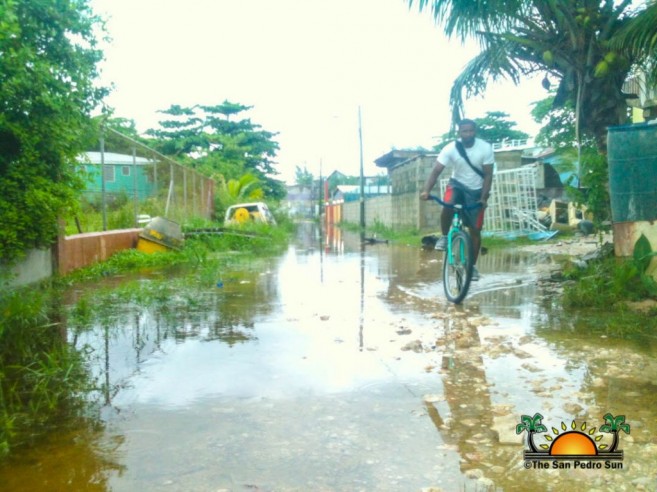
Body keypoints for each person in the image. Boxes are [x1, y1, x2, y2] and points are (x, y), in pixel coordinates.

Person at [420, 119, 494, 281]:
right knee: (448, 204)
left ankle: (472, 267)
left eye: (471, 131)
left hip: (476, 190)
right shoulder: (451, 148)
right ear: (459, 133)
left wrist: (483, 197)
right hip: (457, 185)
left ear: (475, 131)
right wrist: (426, 190)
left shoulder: (485, 148)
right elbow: (436, 171)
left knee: (475, 230)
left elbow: (488, 174)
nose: (468, 134)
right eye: (464, 131)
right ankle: (445, 236)